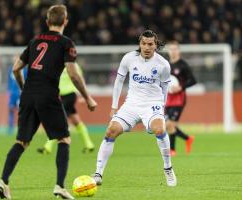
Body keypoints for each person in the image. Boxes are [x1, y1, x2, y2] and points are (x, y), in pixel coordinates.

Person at [0, 5, 97, 200]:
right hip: (48, 94)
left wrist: (24, 87)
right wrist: (88, 97)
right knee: (64, 139)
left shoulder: (35, 41)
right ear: (65, 21)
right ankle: (60, 186)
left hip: (28, 95)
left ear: (47, 22)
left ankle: (3, 180)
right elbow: (74, 74)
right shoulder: (66, 43)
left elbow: (16, 68)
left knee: (22, 141)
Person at [92, 30, 177, 187]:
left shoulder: (163, 64)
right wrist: (114, 106)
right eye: (143, 43)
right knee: (111, 130)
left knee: (159, 129)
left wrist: (162, 108)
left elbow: (165, 88)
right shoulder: (129, 58)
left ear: (155, 45)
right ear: (140, 43)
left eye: (150, 44)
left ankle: (168, 168)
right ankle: (98, 173)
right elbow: (118, 82)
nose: (146, 47)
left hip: (152, 104)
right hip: (131, 104)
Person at [37, 62, 95, 154]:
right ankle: (89, 144)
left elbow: (80, 79)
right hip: (64, 96)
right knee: (75, 120)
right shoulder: (59, 63)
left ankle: (47, 147)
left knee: (57, 120)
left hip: (70, 95)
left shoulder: (73, 64)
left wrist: (85, 95)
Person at [166, 41, 197, 156]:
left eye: (175, 49)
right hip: (168, 98)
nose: (173, 51)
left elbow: (193, 80)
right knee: (169, 125)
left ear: (179, 51)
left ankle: (172, 150)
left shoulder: (183, 65)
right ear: (168, 51)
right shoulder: (166, 64)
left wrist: (181, 87)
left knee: (169, 124)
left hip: (179, 99)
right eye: (171, 49)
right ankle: (188, 139)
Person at [7, 64, 27, 135]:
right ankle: (10, 130)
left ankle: (21, 129)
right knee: (11, 110)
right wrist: (8, 92)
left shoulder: (25, 70)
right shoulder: (10, 69)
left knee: (21, 112)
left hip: (20, 94)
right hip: (12, 94)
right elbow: (9, 82)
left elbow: (26, 81)